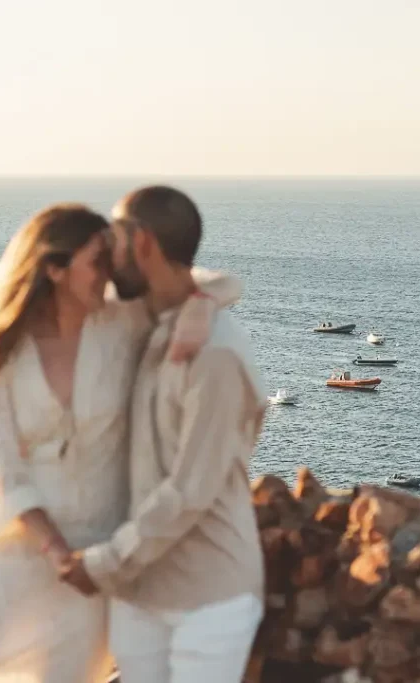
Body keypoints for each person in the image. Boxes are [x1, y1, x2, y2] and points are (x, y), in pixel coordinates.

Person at [0, 203, 241, 683]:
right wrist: (54, 549)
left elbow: (226, 285)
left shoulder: (122, 323)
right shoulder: (0, 351)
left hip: (86, 567)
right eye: (97, 262)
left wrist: (198, 307)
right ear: (54, 268)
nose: (109, 275)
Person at [60, 186, 267, 683]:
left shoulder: (215, 356)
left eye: (115, 237)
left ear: (143, 242)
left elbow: (190, 492)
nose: (107, 251)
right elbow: (212, 279)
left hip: (207, 597)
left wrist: (103, 564)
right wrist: (207, 297)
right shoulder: (143, 318)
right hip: (139, 595)